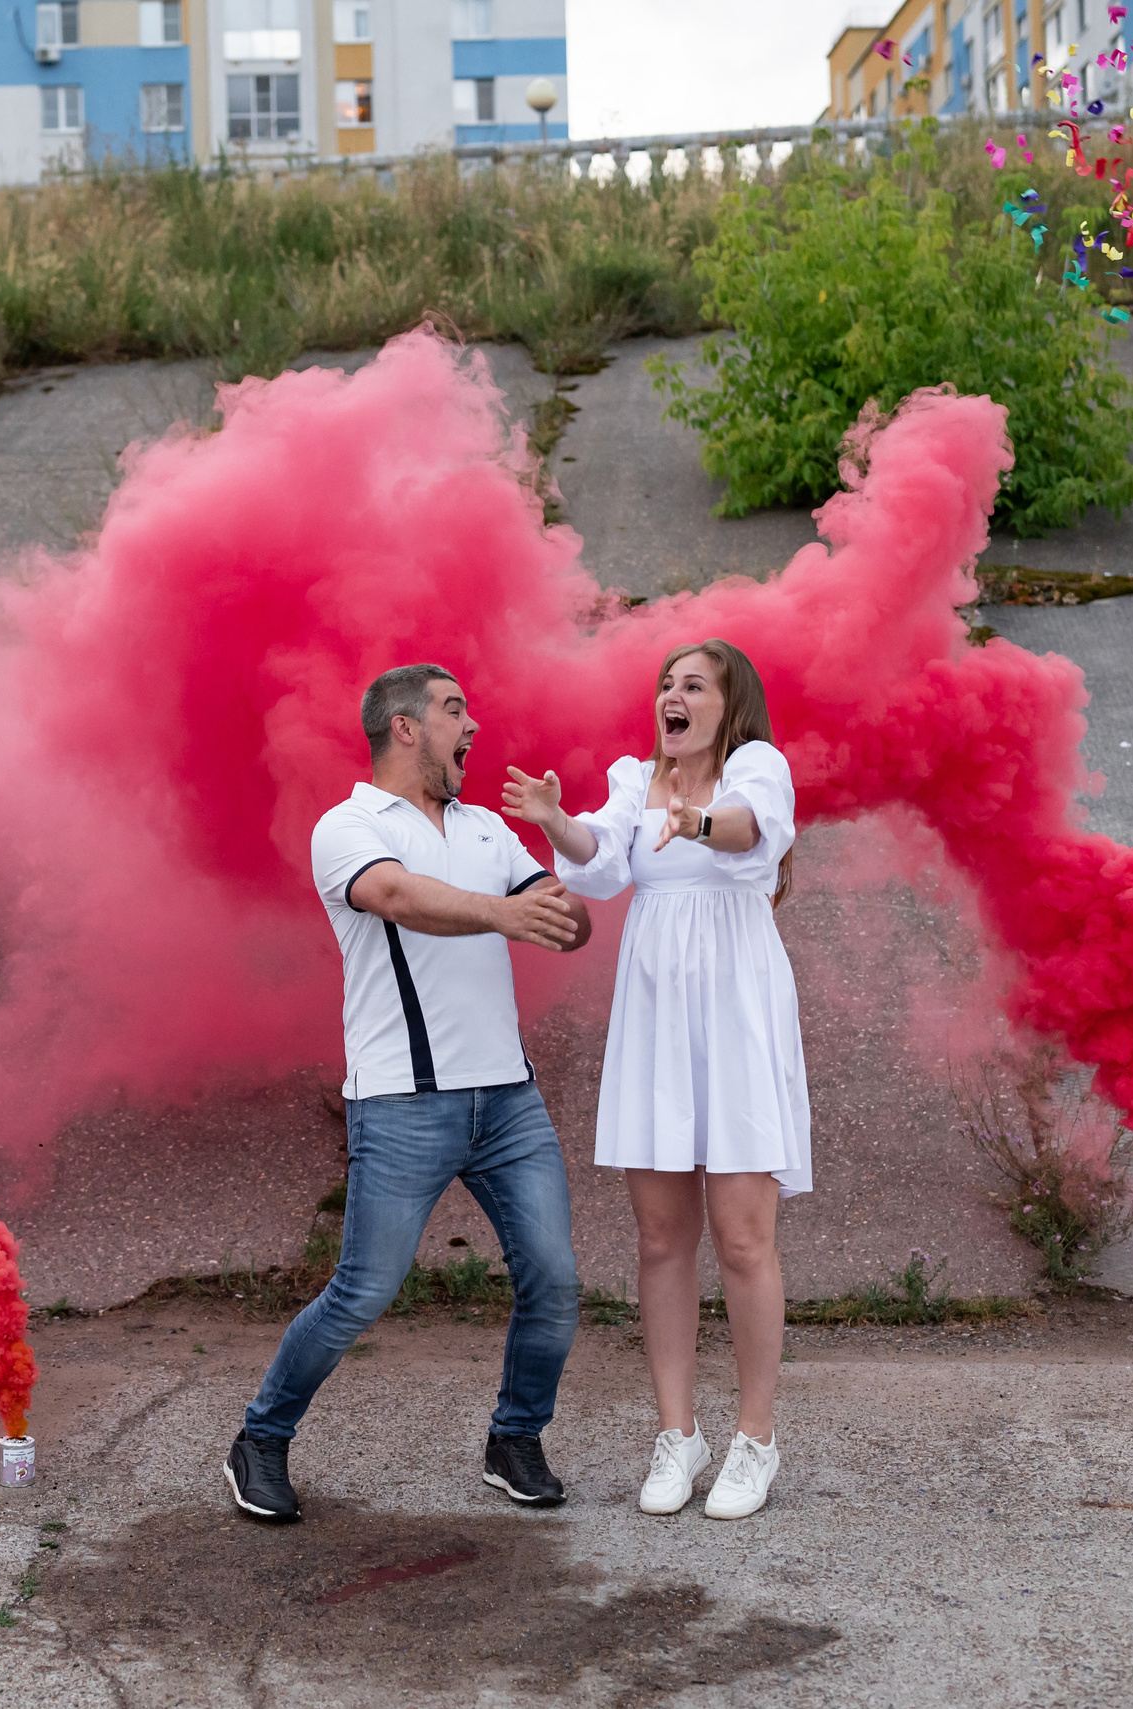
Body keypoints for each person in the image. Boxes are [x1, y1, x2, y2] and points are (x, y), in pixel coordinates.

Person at [224, 663, 594, 1524]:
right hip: (401, 1102)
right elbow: (391, 894)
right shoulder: (349, 825)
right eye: (455, 708)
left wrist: (564, 905)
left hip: (508, 1099)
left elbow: (561, 924)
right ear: (404, 726)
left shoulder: (487, 831)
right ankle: (262, 1439)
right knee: (362, 1290)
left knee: (556, 1278)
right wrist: (506, 913)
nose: (473, 723)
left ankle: (515, 1437)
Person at [500, 639, 808, 1522]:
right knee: (662, 1235)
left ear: (728, 704)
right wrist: (558, 820)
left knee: (744, 1235)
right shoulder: (637, 778)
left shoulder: (756, 766)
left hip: (738, 1012)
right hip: (657, 1019)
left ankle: (755, 1438)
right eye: (666, 685)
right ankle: (679, 1434)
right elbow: (600, 861)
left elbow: (752, 830)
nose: (672, 696)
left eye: (693, 685)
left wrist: (694, 821)